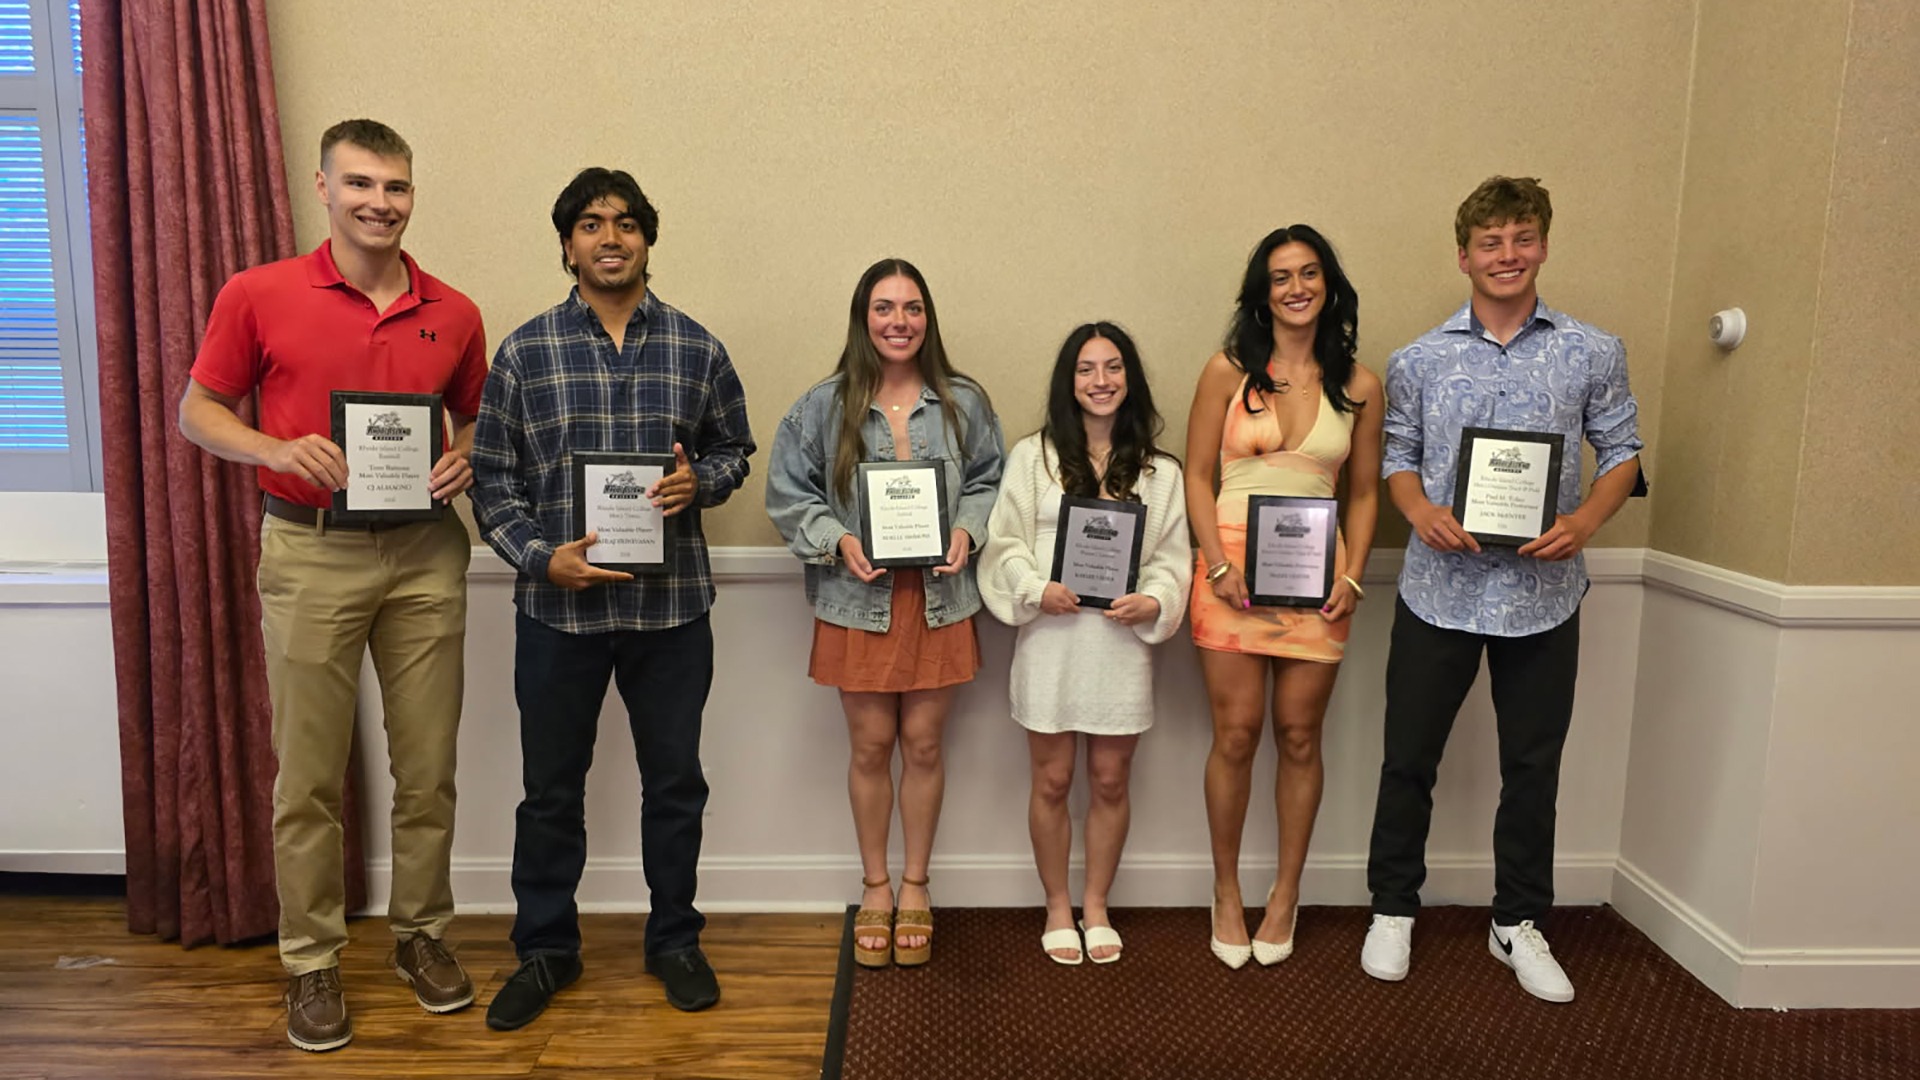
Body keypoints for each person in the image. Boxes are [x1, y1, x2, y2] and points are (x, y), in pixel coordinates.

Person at [178, 119, 486, 1052]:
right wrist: (275, 447)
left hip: (426, 554)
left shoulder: (456, 311)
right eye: (360, 184)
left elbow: (470, 420)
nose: (378, 203)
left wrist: (462, 460)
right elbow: (198, 410)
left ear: (410, 194)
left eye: (394, 187)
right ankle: (310, 960)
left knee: (426, 767)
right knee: (308, 776)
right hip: (310, 549)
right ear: (322, 186)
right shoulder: (260, 292)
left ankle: (422, 935)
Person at [469, 167, 755, 1030]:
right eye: (591, 223)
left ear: (646, 239)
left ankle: (674, 940)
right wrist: (535, 558)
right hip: (559, 616)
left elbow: (735, 448)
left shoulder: (697, 349)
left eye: (625, 222)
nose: (610, 236)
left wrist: (696, 482)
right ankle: (546, 949)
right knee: (549, 791)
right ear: (567, 244)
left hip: (672, 616)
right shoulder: (524, 353)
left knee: (675, 785)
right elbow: (491, 481)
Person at [1360, 176, 1643, 1003]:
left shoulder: (1593, 350)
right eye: (1491, 242)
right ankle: (1392, 907)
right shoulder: (1417, 359)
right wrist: (1421, 513)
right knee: (1408, 758)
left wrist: (1585, 521)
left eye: (1522, 238)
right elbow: (1396, 457)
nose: (1508, 255)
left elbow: (1623, 453)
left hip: (1543, 596)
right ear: (1464, 256)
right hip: (1438, 588)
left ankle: (1517, 920)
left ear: (1544, 246)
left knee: (1534, 765)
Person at [764, 258, 1004, 968]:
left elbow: (991, 480)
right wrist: (835, 538)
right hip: (857, 599)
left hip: (938, 601)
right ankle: (875, 885)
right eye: (884, 308)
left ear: (928, 319)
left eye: (912, 308)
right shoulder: (822, 407)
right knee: (870, 748)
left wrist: (967, 531)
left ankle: (916, 886)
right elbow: (787, 494)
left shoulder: (963, 401)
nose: (899, 322)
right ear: (862, 318)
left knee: (926, 747)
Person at [1186, 225, 1383, 969]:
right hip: (1229, 577)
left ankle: (1286, 893)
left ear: (1328, 284)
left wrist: (1355, 574)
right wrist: (1213, 565)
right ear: (1261, 292)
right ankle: (1227, 891)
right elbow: (1197, 475)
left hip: (1319, 585)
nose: (1296, 287)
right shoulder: (1226, 371)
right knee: (1235, 735)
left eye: (1308, 273)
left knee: (1300, 736)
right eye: (1280, 276)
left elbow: (1364, 493)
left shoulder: (1360, 384)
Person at [978, 322, 1192, 965]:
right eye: (1086, 370)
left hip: (1118, 645)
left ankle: (1095, 904)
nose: (1101, 381)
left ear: (1130, 379)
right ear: (1068, 382)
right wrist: (1033, 588)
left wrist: (1154, 599)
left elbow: (1171, 557)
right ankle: (1056, 907)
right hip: (1051, 640)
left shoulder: (1160, 472)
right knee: (1051, 779)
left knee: (1109, 779)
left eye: (1113, 368)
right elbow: (1004, 542)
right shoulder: (1032, 458)